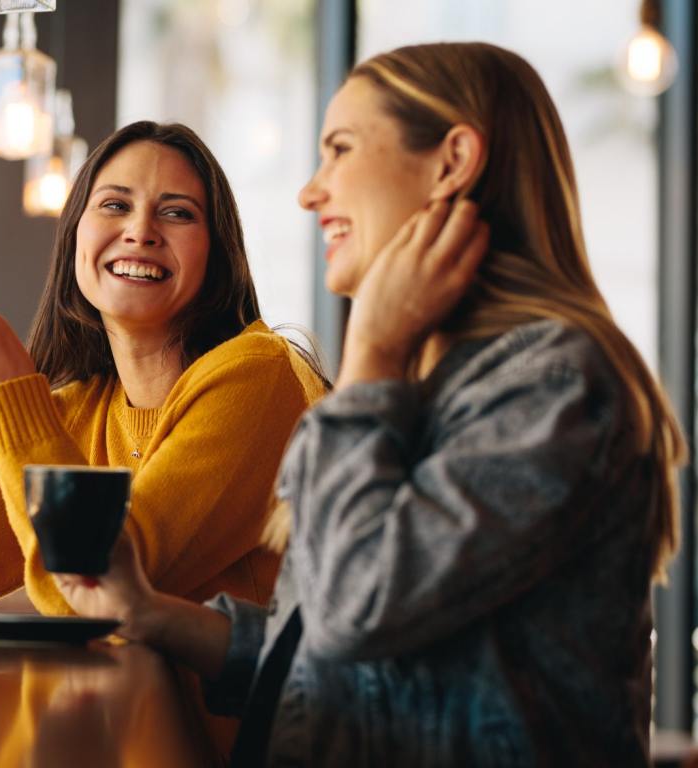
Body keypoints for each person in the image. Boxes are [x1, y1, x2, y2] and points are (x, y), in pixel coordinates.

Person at [56, 42, 687, 766]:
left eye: (341, 150)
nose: (310, 191)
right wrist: (153, 615)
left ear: (451, 163)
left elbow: (359, 607)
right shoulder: (430, 384)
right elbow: (334, 661)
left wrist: (372, 356)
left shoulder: (557, 386)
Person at [0, 121, 327, 616]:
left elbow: (99, 588)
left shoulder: (257, 376)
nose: (140, 232)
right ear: (73, 239)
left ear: (216, 254)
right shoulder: (78, 413)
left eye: (177, 213)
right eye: (115, 205)